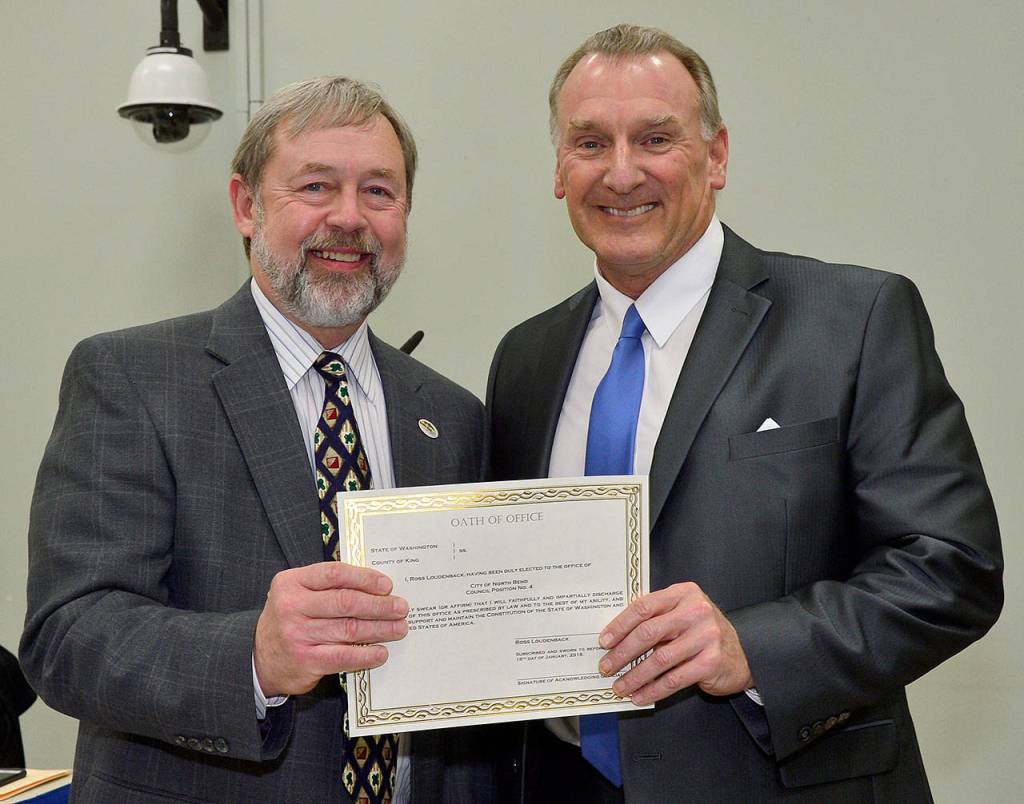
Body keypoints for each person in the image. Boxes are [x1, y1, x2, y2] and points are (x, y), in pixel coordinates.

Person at [486, 24, 1003, 802]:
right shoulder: (524, 359)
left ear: (716, 154)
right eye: (590, 143)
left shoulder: (853, 320)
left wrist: (752, 649)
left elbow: (951, 568)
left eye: (656, 138)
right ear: (559, 169)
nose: (621, 172)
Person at [21, 76, 492, 803]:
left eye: (378, 191)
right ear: (246, 206)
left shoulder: (452, 416)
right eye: (314, 187)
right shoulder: (132, 378)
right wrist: (254, 657)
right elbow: (67, 639)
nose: (349, 218)